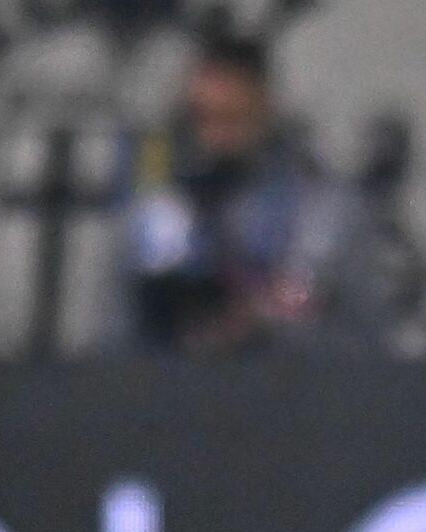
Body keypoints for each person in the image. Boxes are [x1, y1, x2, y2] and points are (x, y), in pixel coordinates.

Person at [114, 31, 378, 353]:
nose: (216, 136)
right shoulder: (164, 200)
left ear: (265, 111)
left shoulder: (321, 203)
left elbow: (313, 295)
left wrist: (257, 313)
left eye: (233, 117)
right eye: (202, 118)